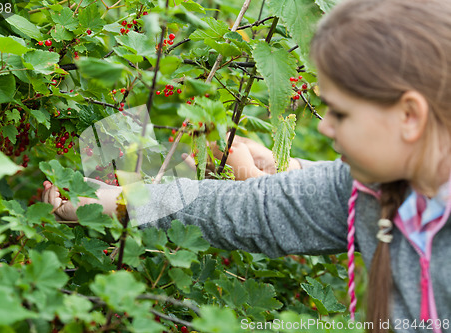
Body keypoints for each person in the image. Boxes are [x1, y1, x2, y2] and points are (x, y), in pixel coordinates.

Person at [43, 0, 451, 332]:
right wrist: (120, 201)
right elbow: (250, 210)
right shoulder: (377, 188)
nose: (325, 126)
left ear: (410, 116)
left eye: (341, 114)